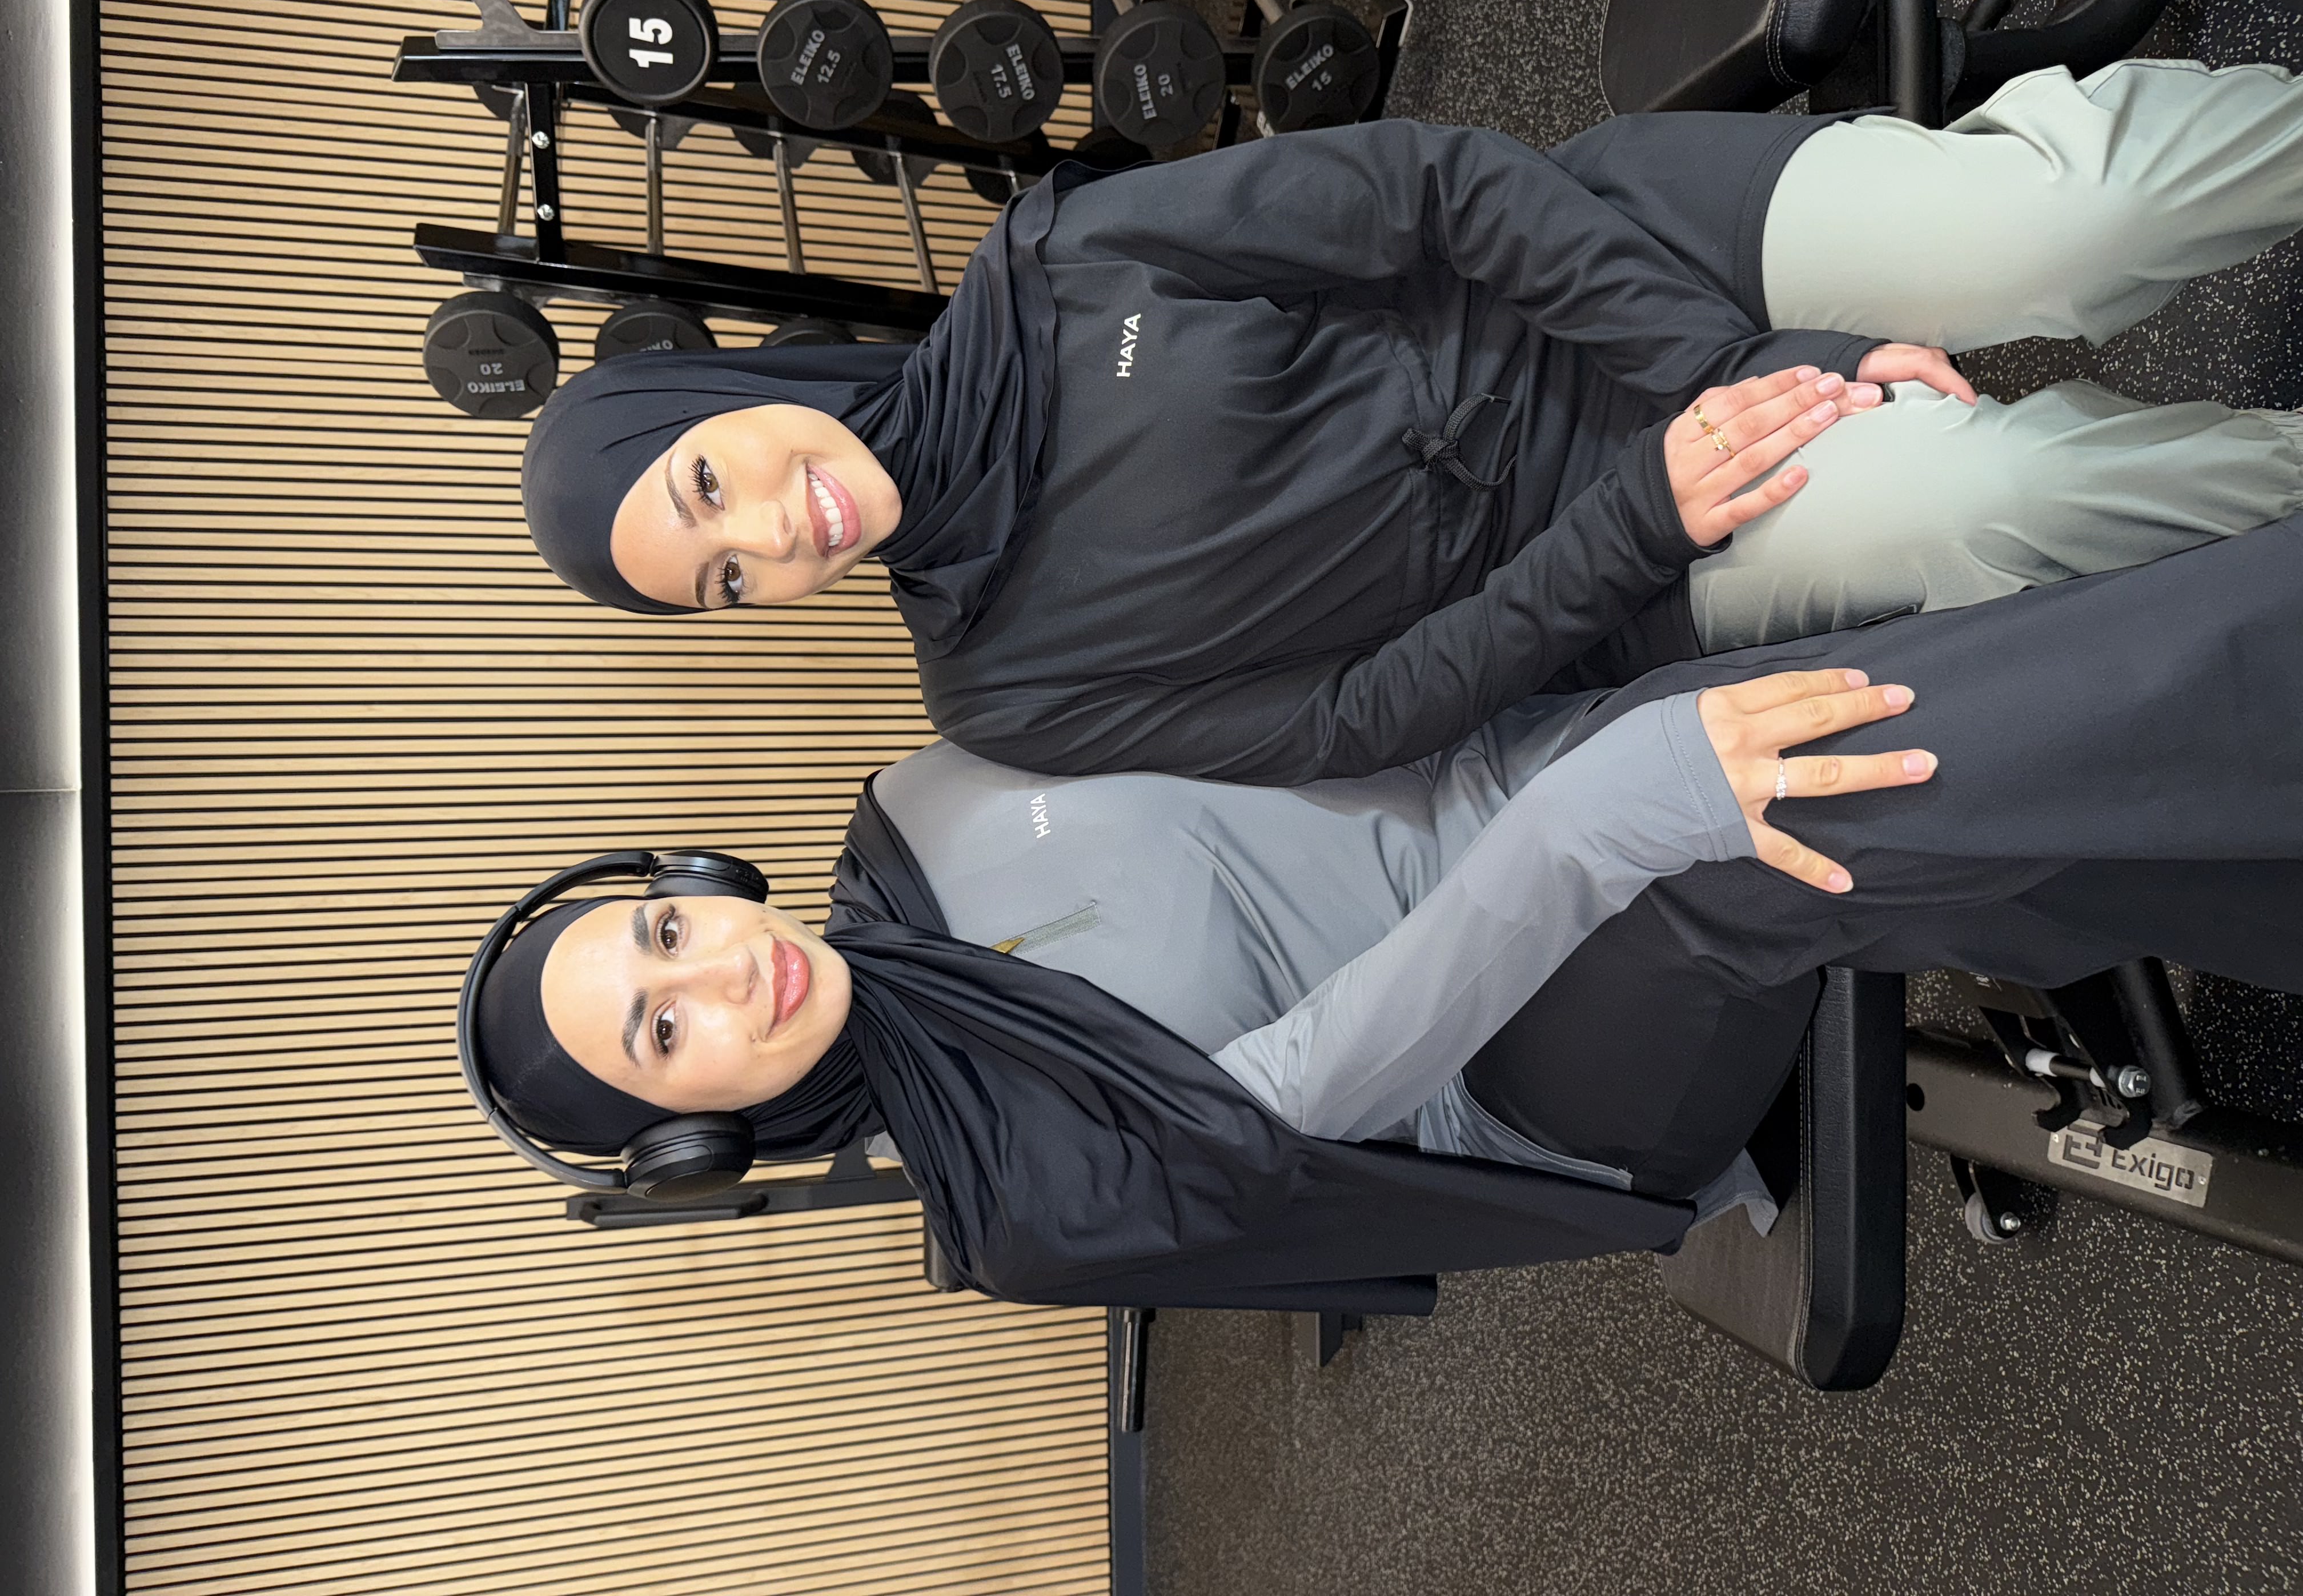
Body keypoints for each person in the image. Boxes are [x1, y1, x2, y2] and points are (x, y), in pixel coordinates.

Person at [468, 514, 2303, 1308]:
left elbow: (1276, 695)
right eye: (660, 1034)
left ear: (687, 881)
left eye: (657, 933)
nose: (712, 976)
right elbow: (1326, 1087)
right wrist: (1598, 812)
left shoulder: (920, 788)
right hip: (1515, 1086)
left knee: (1818, 737)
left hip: (1507, 778)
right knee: (1762, 817)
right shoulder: (1013, 1198)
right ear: (693, 1136)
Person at [520, 59, 2303, 783]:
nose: (772, 539)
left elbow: (1439, 192)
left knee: (2072, 222)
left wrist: (1740, 363)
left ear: (728, 400)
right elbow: (1364, 716)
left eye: (707, 488)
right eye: (721, 586)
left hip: (1634, 267)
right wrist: (1646, 514)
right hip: (1638, 558)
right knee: (1970, 502)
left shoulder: (1059, 261)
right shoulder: (1008, 699)